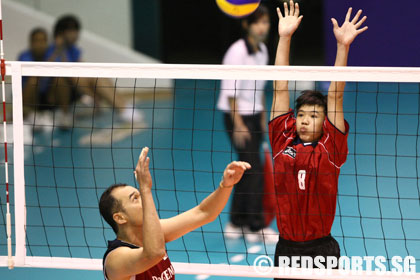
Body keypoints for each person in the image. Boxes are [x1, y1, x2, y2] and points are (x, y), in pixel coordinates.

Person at [270, 0, 367, 270]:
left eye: (313, 116)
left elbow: (335, 94)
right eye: (301, 114)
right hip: (286, 248)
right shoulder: (282, 140)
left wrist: (342, 46)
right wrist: (284, 37)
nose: (304, 121)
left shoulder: (331, 146)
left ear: (325, 122)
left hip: (321, 249)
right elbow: (280, 88)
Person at [100, 147, 251, 280]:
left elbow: (204, 213)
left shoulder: (157, 232)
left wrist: (225, 185)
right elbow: (153, 253)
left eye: (140, 194)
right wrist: (145, 189)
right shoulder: (115, 259)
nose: (143, 200)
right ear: (120, 218)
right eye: (135, 198)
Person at [216, 5, 277, 244]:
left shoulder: (262, 51)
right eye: (258, 22)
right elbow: (230, 90)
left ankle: (236, 222)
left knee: (247, 169)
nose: (263, 27)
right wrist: (239, 123)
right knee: (255, 170)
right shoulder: (236, 52)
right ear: (246, 25)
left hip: (254, 115)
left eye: (266, 22)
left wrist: (262, 115)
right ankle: (255, 226)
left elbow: (259, 87)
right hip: (235, 116)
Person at [46, 15, 144, 128]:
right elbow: (61, 71)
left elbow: (82, 68)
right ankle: (123, 109)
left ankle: (124, 107)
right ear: (61, 33)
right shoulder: (53, 50)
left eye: (76, 30)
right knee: (73, 76)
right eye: (71, 31)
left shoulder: (73, 49)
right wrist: (60, 48)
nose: (75, 34)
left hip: (75, 88)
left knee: (98, 75)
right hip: (56, 91)